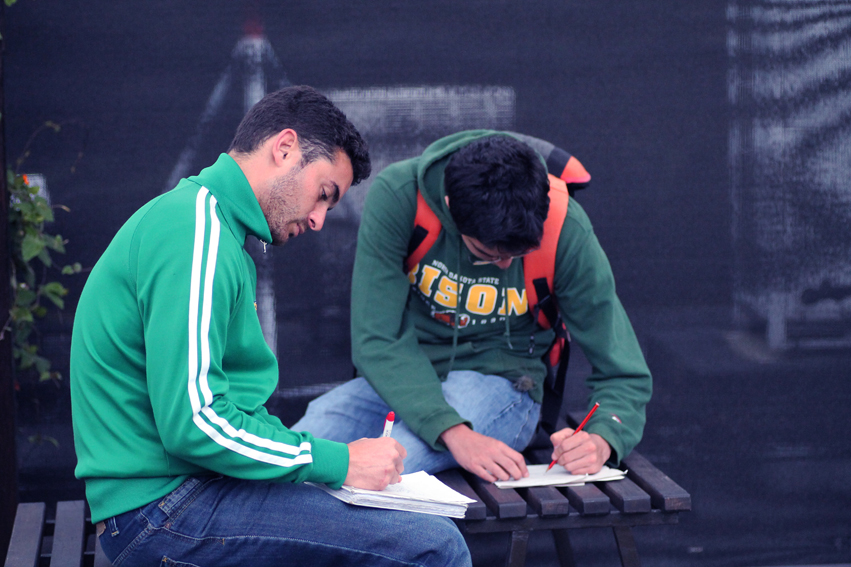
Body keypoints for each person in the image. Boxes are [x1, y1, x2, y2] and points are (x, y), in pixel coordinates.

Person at [70, 86, 471, 567]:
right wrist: (339, 462)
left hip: (177, 497)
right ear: (284, 148)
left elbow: (229, 407)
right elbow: (195, 423)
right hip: (161, 512)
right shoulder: (195, 233)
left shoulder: (211, 228)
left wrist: (330, 467)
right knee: (434, 544)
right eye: (323, 194)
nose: (319, 220)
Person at [293, 130, 652, 483]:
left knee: (385, 472)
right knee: (303, 451)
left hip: (503, 384)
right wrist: (454, 433)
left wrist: (603, 438)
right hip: (403, 380)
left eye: (519, 253)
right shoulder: (401, 196)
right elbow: (377, 338)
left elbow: (624, 371)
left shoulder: (565, 226)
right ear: (451, 207)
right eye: (488, 253)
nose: (505, 265)